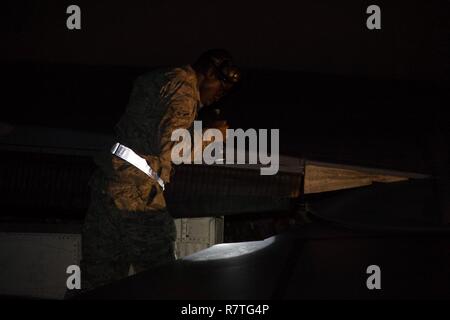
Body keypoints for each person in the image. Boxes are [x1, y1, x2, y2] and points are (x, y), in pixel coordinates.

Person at [77, 49, 241, 292]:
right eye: (221, 86)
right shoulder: (184, 90)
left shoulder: (161, 78)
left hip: (109, 185)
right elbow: (173, 149)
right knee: (162, 279)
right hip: (136, 196)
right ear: (207, 73)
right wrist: (212, 136)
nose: (220, 95)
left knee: (99, 282)